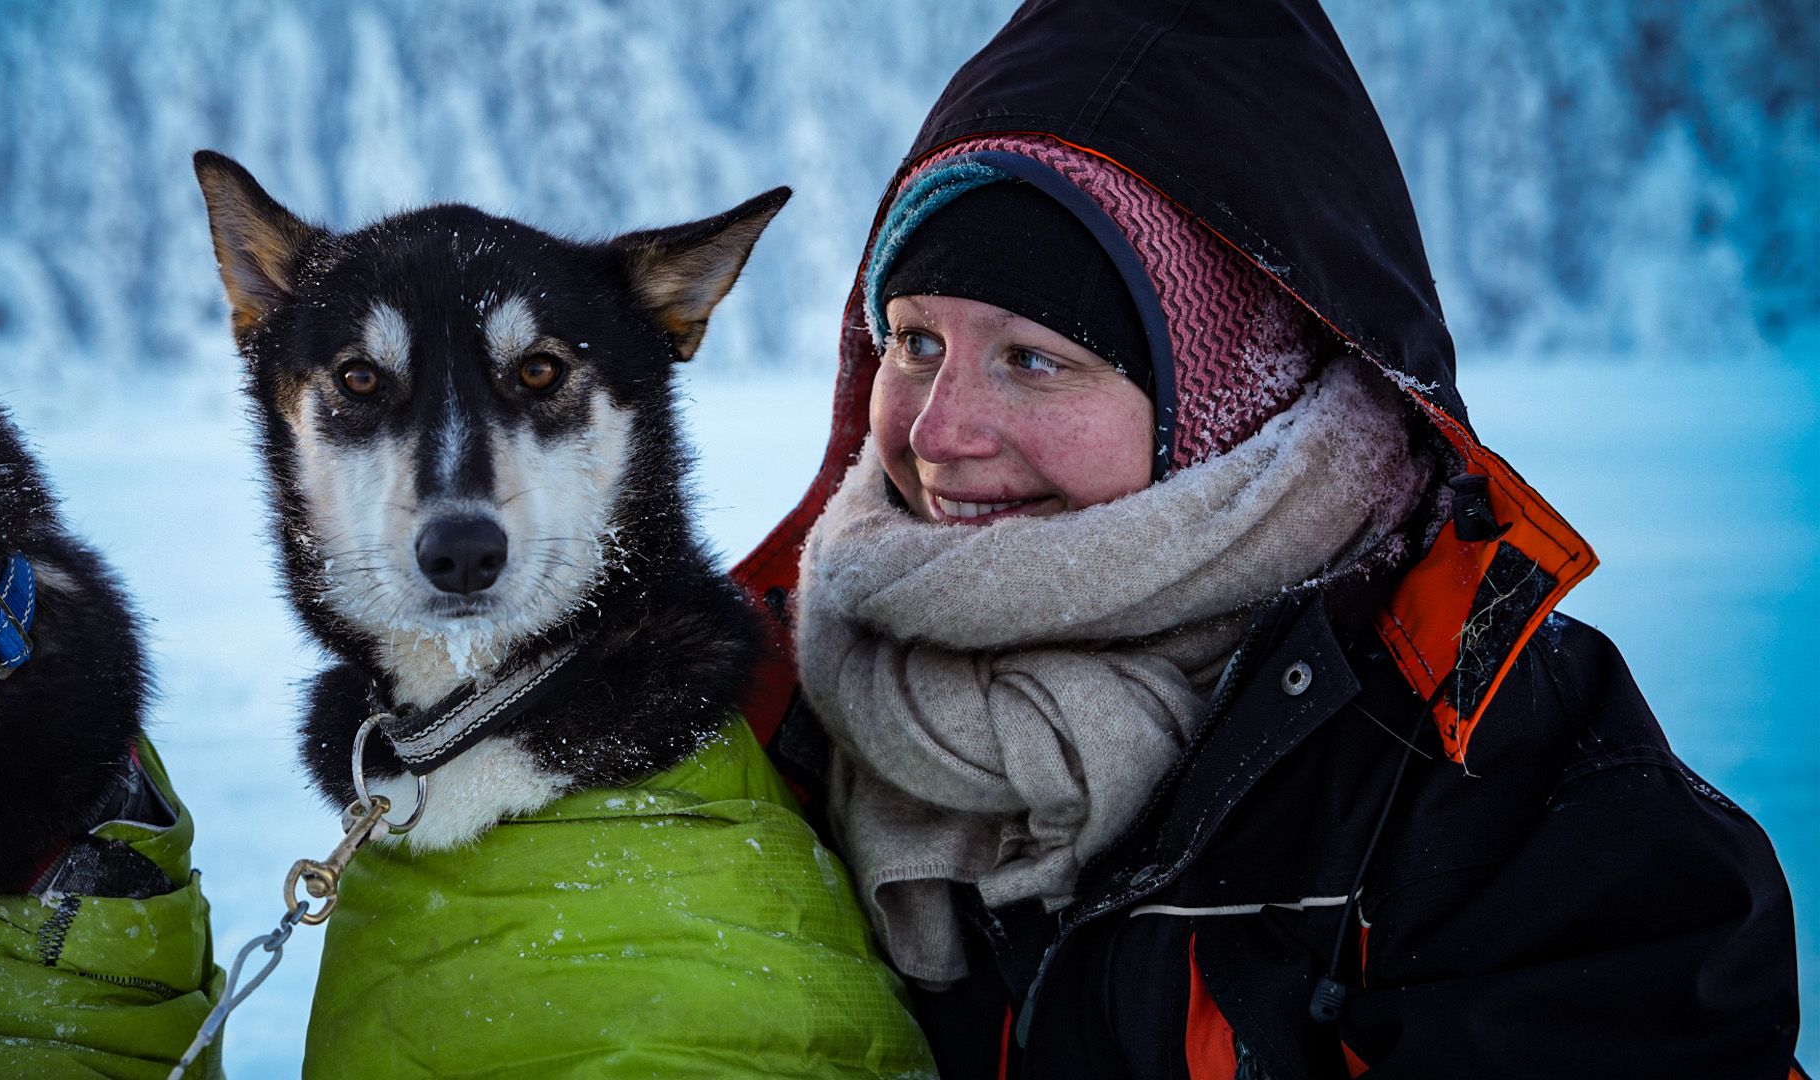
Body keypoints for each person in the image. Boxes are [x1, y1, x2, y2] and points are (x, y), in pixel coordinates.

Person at [730, 0, 1803, 1076]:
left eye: (1033, 360)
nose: (935, 430)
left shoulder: (1500, 785)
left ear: (1225, 399)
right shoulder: (758, 708)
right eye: (915, 341)